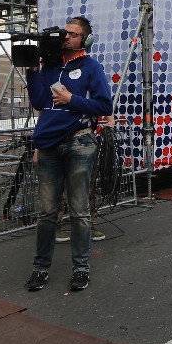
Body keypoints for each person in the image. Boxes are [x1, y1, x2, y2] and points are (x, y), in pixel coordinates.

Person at [24, 16, 113, 293]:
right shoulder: (50, 66)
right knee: (47, 212)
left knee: (79, 211)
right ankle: (40, 269)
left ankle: (81, 269)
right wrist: (33, 71)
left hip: (79, 143)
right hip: (49, 145)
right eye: (66, 33)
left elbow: (105, 105)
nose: (67, 37)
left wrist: (71, 100)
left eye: (74, 34)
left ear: (86, 39)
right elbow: (39, 102)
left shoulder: (91, 67)